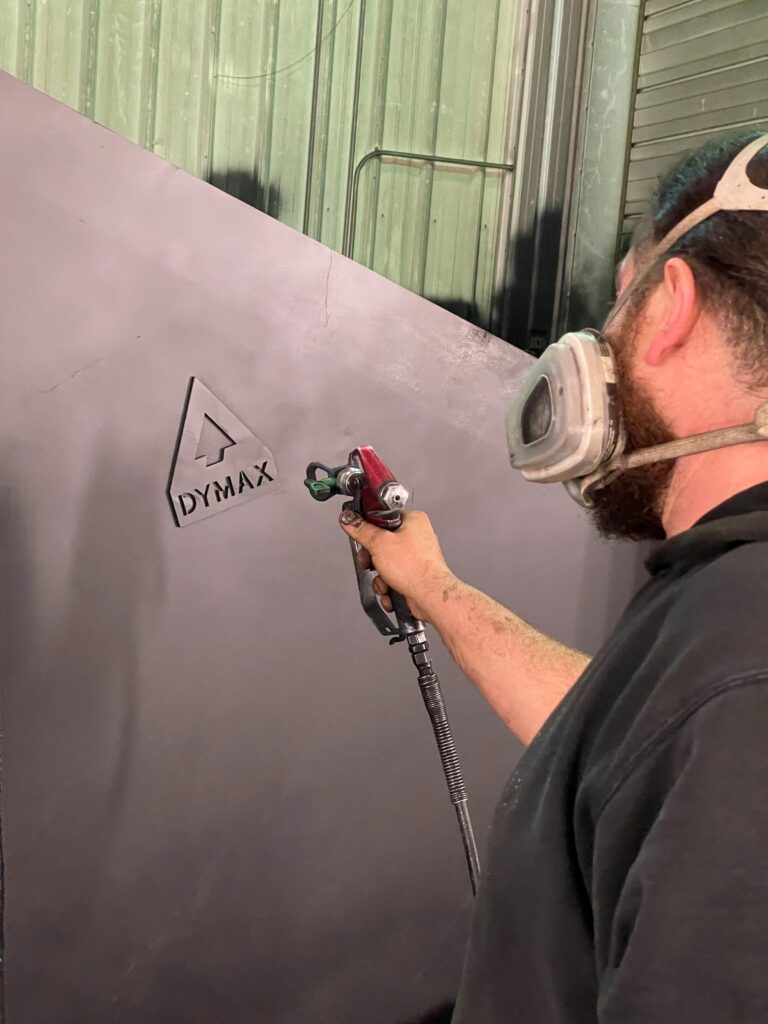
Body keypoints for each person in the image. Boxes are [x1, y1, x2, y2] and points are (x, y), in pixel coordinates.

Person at [338, 131, 768, 1022]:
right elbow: (629, 740)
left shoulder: (746, 668)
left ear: (671, 306)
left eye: (621, 304)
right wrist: (436, 587)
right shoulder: (726, 611)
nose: (599, 344)